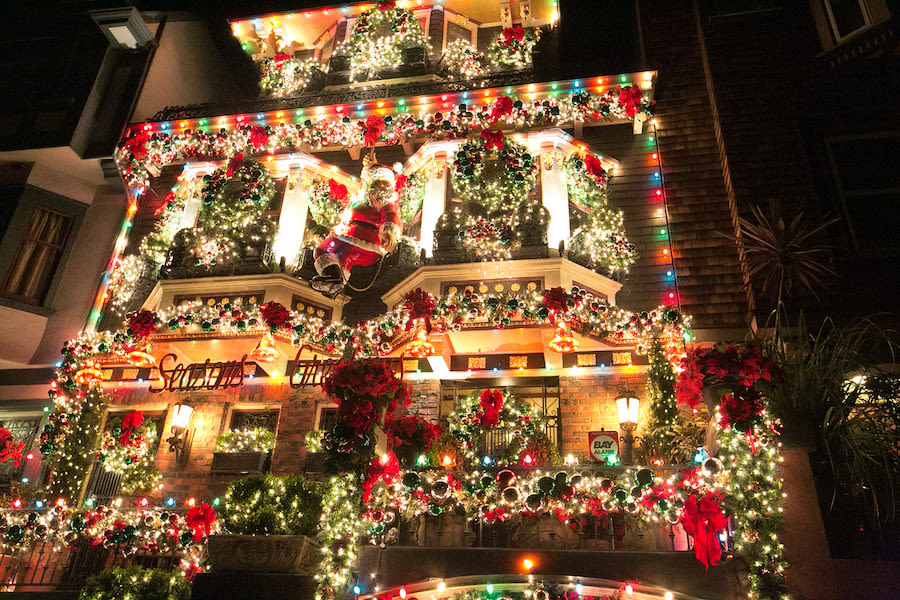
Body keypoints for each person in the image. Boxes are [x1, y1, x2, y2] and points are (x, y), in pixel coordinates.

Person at [311, 161, 401, 298]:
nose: (381, 187)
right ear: (368, 185)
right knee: (334, 256)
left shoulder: (386, 204)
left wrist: (389, 234)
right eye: (377, 183)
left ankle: (334, 280)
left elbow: (391, 217)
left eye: (385, 183)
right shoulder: (360, 201)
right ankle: (335, 282)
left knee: (325, 250)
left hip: (364, 239)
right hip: (351, 237)